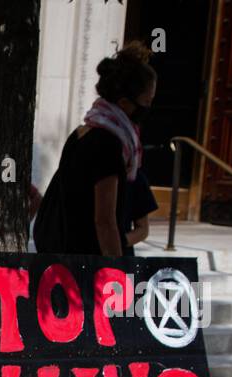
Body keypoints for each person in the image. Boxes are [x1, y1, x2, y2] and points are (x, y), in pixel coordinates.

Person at [35, 42, 156, 256]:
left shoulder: (82, 132)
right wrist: (115, 273)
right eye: (147, 101)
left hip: (67, 256)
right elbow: (105, 220)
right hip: (89, 262)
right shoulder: (107, 143)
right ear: (125, 103)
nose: (148, 108)